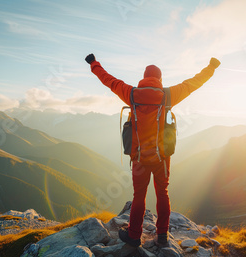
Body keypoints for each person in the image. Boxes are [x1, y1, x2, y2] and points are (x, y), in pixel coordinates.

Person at [85, 53, 220, 247]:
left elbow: (109, 80)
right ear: (159, 79)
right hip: (162, 157)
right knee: (162, 192)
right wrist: (211, 67)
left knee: (138, 196)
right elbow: (194, 83)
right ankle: (162, 235)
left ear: (144, 77)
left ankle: (133, 235)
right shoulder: (167, 95)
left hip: (139, 157)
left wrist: (93, 63)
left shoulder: (131, 93)